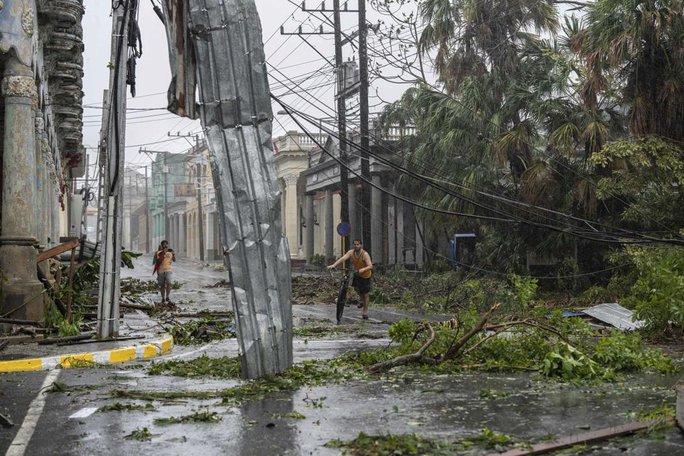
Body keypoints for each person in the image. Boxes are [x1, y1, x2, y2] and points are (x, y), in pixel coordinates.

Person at [327, 239, 373, 319]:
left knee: (365, 294)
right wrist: (334, 265)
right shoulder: (351, 252)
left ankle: (365, 311)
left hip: (365, 275)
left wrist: (363, 269)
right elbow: (343, 259)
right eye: (355, 244)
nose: (356, 246)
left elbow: (370, 266)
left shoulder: (365, 254)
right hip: (357, 273)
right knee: (356, 289)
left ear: (361, 245)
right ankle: (361, 301)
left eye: (358, 244)